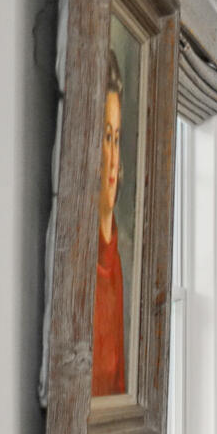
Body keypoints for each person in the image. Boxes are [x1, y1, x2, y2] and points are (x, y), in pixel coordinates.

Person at [91, 82, 128, 399]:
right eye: (106, 138)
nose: (114, 158)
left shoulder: (117, 258)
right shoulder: (83, 260)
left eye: (117, 139)